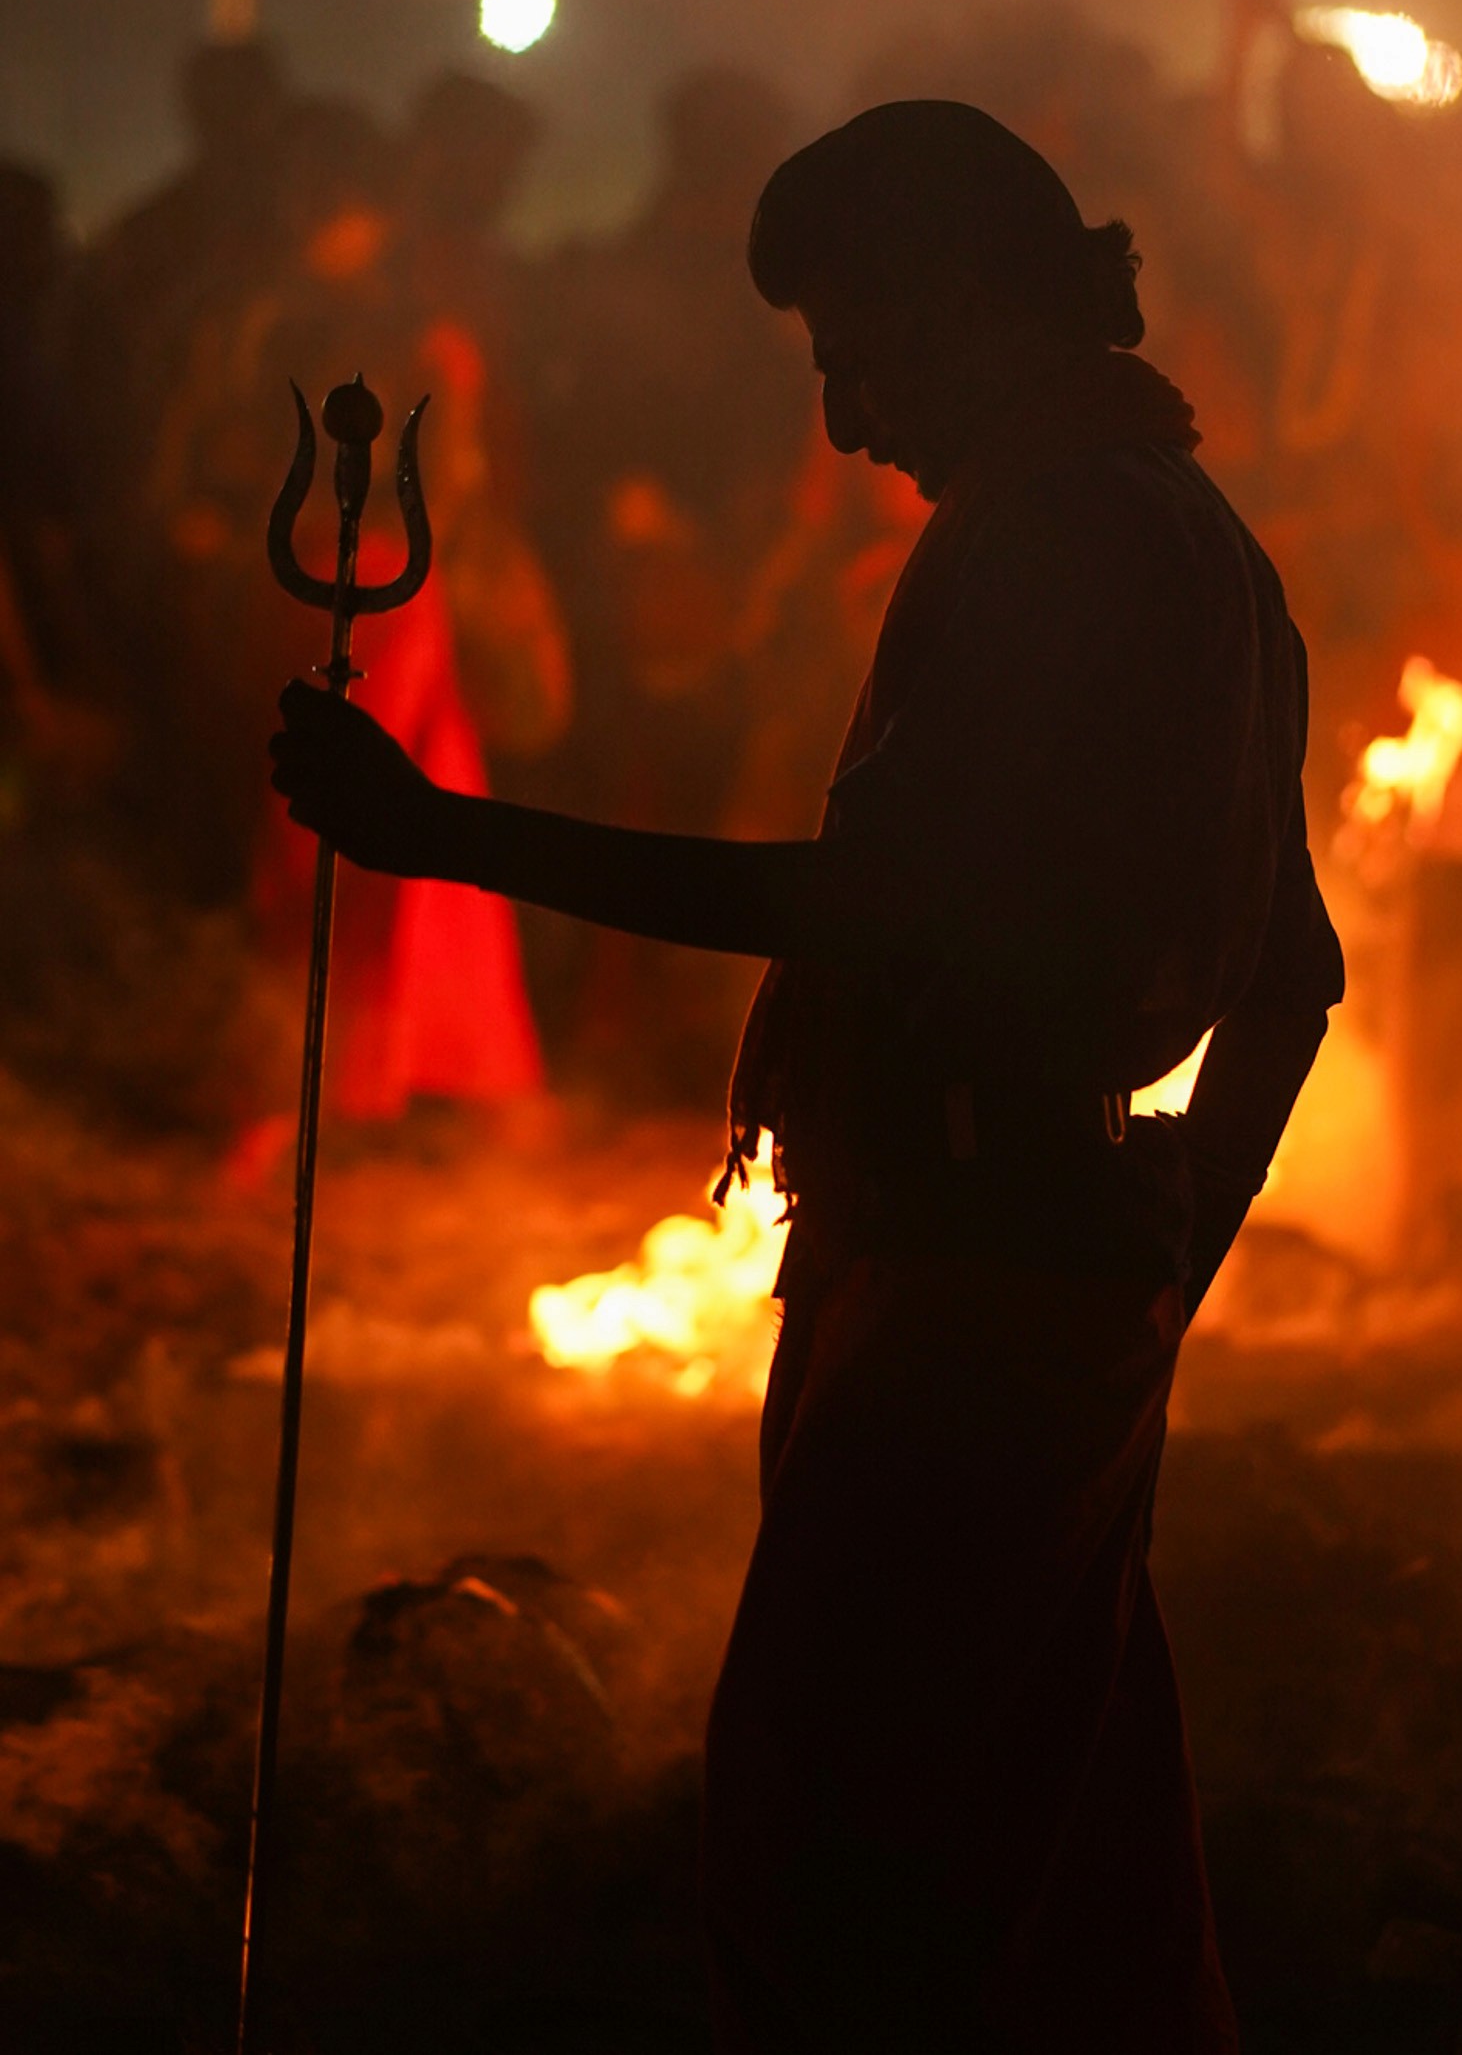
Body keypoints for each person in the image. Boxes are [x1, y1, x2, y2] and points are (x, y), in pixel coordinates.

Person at [270, 100, 1344, 2049]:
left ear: (973, 310)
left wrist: (449, 836)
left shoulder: (1049, 541)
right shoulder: (1191, 536)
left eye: (862, 357)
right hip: (1036, 1253)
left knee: (838, 1850)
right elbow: (1302, 971)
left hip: (968, 1270)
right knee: (1057, 1837)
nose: (847, 426)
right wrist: (1160, 1239)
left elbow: (885, 900)